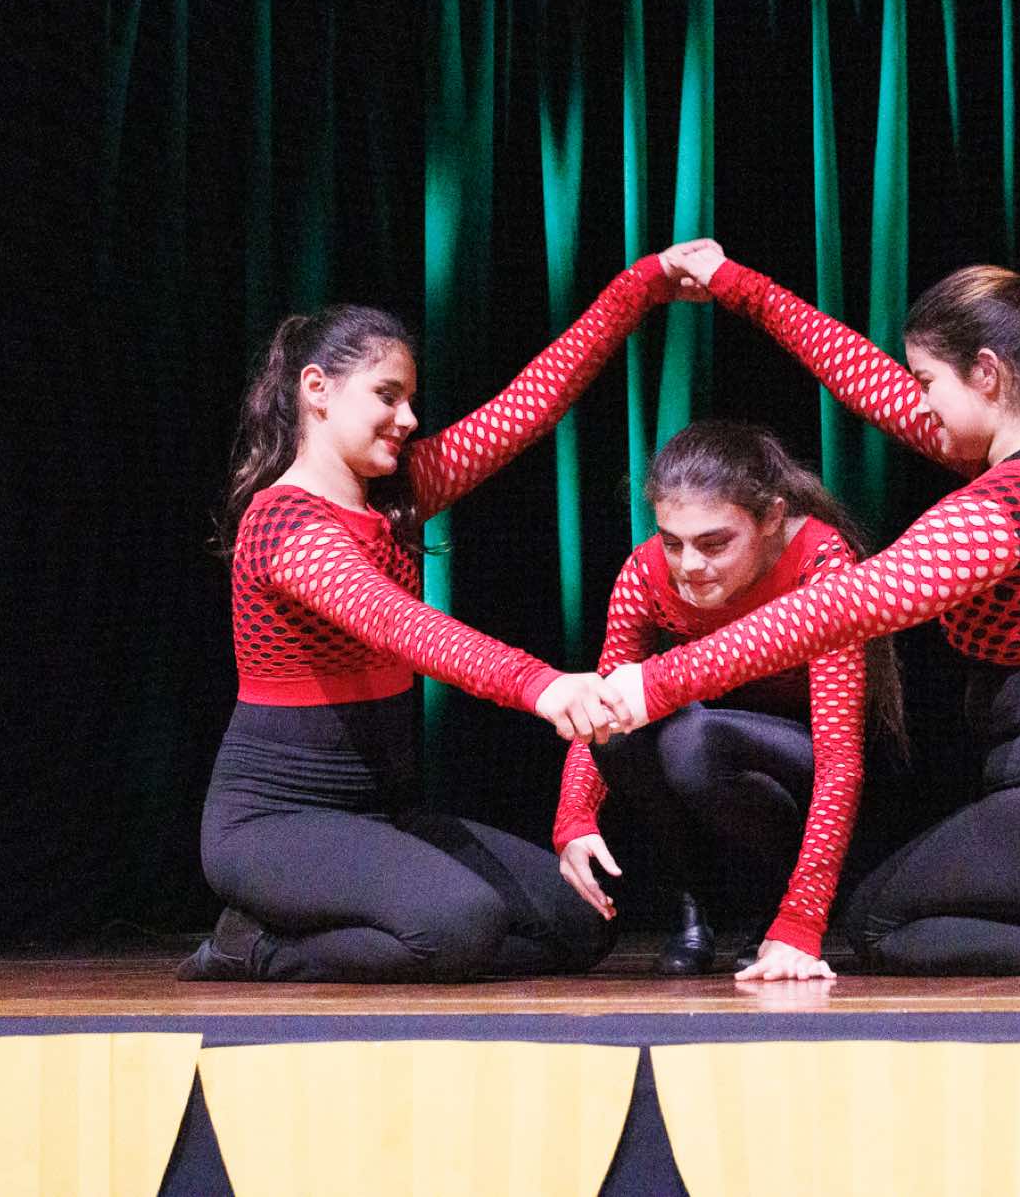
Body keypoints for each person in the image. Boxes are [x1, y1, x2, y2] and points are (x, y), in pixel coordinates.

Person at [603, 242, 1020, 976]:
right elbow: (864, 379)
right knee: (904, 910)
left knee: (879, 921)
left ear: (987, 373)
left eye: (927, 380)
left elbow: (839, 608)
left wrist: (656, 682)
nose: (915, 399)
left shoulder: (1005, 509)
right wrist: (738, 284)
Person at [178, 253, 684, 982]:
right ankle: (253, 946)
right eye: (387, 396)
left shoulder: (397, 494)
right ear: (317, 390)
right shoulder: (282, 523)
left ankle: (418, 922)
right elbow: (401, 625)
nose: (409, 418)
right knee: (460, 924)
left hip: (380, 815)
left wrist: (640, 286)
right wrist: (541, 684)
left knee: (583, 920)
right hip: (274, 824)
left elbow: (529, 408)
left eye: (412, 399)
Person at [552, 421, 905, 981]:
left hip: (801, 758)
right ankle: (693, 905)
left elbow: (839, 760)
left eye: (714, 543)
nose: (690, 565)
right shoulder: (645, 573)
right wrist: (574, 817)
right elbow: (598, 704)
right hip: (704, 750)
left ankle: (772, 905)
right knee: (619, 735)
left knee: (694, 740)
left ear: (771, 518)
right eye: (673, 542)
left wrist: (802, 919)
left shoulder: (819, 560)